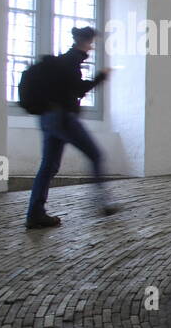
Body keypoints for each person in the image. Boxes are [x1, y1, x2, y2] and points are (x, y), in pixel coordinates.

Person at [24, 26, 118, 229]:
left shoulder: (61, 61)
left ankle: (35, 213)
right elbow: (79, 88)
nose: (91, 48)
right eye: (90, 43)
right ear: (84, 42)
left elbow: (70, 88)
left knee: (48, 166)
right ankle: (103, 203)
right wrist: (101, 76)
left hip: (47, 118)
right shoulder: (71, 61)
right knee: (95, 155)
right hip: (62, 118)